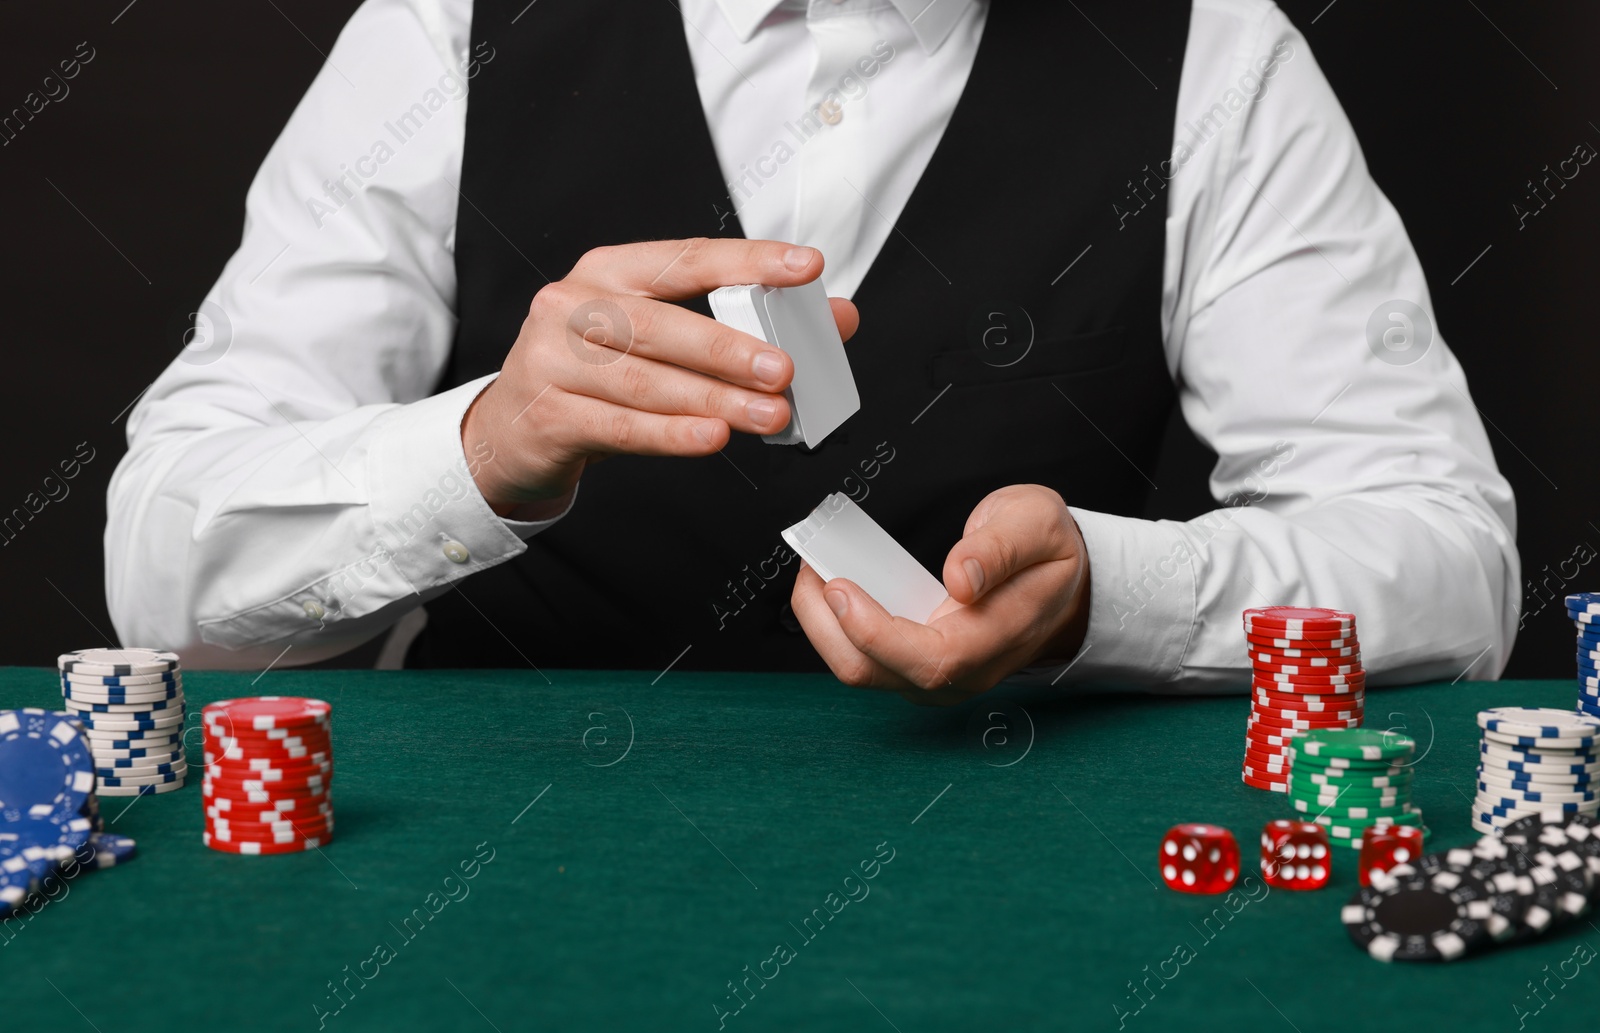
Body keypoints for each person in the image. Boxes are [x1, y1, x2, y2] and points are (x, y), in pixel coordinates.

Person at [105, 0, 1518, 699]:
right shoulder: (447, 28)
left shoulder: (1212, 51)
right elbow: (165, 578)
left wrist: (1118, 594)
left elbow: (1451, 569)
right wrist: (481, 454)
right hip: (492, 878)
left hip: (1021, 878)